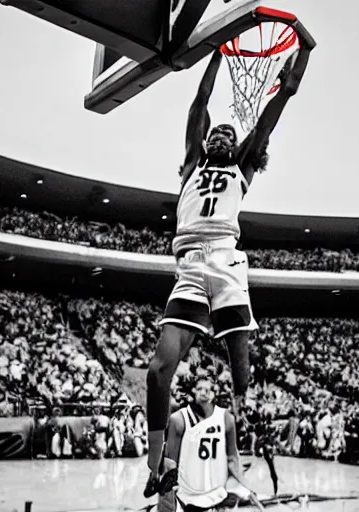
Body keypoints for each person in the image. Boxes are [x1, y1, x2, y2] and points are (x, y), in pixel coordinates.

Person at [145, 46, 311, 496]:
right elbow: (199, 103)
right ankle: (155, 462)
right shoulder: (191, 165)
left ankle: (242, 414)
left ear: (237, 146)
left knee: (240, 362)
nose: (219, 133)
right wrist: (217, 54)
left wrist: (287, 86)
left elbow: (266, 121)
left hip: (226, 256)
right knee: (158, 370)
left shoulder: (243, 167)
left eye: (227, 132)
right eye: (214, 132)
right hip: (191, 265)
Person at [158, 378, 252, 512]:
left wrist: (244, 486)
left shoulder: (227, 419)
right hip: (187, 497)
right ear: (193, 392)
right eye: (199, 389)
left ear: (215, 394)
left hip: (216, 495)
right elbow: (169, 464)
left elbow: (232, 460)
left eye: (208, 390)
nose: (204, 393)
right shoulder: (178, 420)